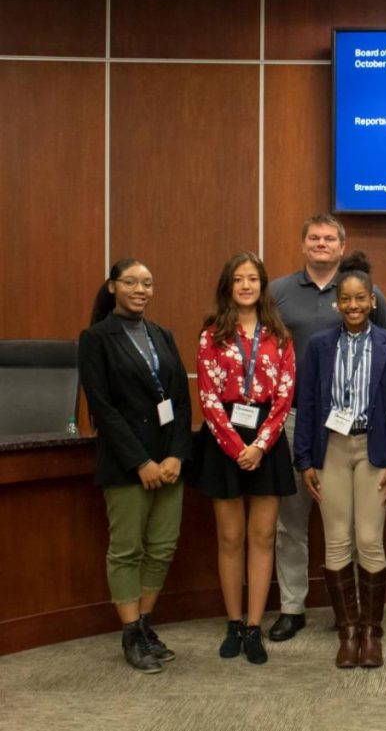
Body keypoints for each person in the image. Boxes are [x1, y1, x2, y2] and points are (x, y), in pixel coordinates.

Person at [269, 213, 386, 643]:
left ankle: (364, 624)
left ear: (342, 248)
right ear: (303, 244)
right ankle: (293, 607)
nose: (321, 244)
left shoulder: (370, 291)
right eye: (314, 237)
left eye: (330, 238)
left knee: (360, 534)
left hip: (364, 435)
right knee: (293, 522)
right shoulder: (279, 292)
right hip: (299, 422)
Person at [78, 259, 193, 674]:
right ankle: (130, 633)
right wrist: (141, 462)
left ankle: (144, 624)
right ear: (112, 286)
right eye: (131, 282)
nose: (140, 289)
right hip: (129, 465)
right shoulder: (95, 338)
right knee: (127, 550)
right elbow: (103, 409)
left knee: (162, 547)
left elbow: (180, 400)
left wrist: (176, 455)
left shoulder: (162, 335)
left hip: (169, 463)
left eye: (147, 283)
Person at [292, 253, 386, 669]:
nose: (354, 305)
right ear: (336, 303)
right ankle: (348, 632)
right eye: (346, 299)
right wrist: (304, 458)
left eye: (362, 298)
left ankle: (372, 633)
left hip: (374, 450)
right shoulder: (321, 345)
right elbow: (306, 403)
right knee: (336, 539)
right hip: (332, 450)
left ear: (373, 301)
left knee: (370, 541)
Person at [195, 252, 296, 664]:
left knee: (262, 537)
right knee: (230, 538)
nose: (246, 286)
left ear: (262, 284)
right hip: (224, 443)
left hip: (267, 443)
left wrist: (261, 445)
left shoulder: (280, 335)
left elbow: (286, 392)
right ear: (228, 286)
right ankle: (233, 623)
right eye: (238, 279)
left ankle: (255, 626)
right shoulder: (212, 335)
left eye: (252, 278)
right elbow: (207, 397)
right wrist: (239, 449)